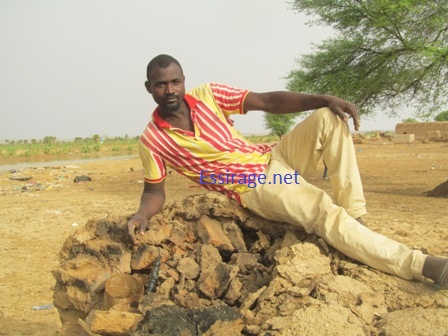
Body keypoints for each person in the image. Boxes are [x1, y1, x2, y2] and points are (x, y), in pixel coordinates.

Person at [127, 53, 448, 288]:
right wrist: (142, 215)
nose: (170, 90)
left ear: (184, 81)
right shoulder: (152, 140)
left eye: (175, 82)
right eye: (161, 85)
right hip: (254, 186)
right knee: (322, 209)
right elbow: (154, 191)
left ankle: (355, 218)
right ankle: (421, 265)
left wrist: (324, 98)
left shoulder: (208, 95)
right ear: (149, 88)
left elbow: (268, 101)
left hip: (274, 156)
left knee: (328, 117)